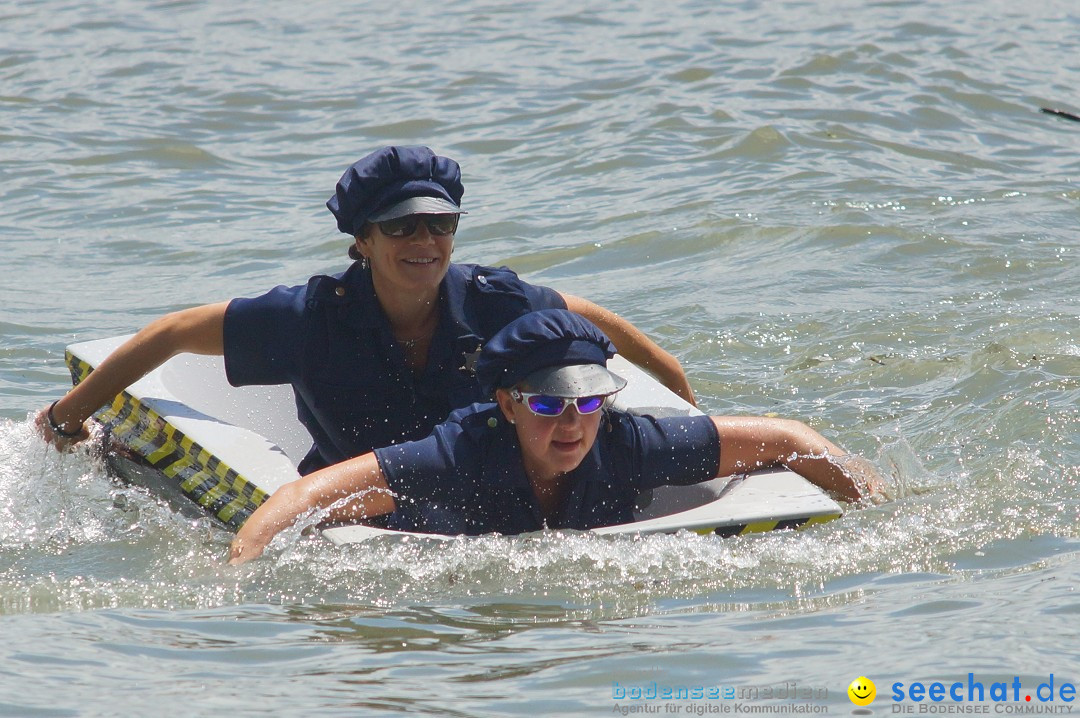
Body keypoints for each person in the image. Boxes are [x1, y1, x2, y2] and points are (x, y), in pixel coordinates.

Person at [36, 146, 693, 483]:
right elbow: (172, 333)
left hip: (481, 490)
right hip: (346, 490)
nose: (426, 241)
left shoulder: (496, 301)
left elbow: (594, 323)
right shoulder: (306, 317)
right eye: (403, 227)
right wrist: (67, 416)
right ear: (363, 241)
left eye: (441, 223)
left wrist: (686, 398)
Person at [228, 309, 887, 564]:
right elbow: (312, 493)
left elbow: (785, 438)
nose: (572, 423)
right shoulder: (459, 452)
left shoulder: (628, 443)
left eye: (589, 401)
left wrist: (878, 505)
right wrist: (240, 565)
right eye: (548, 404)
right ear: (509, 405)